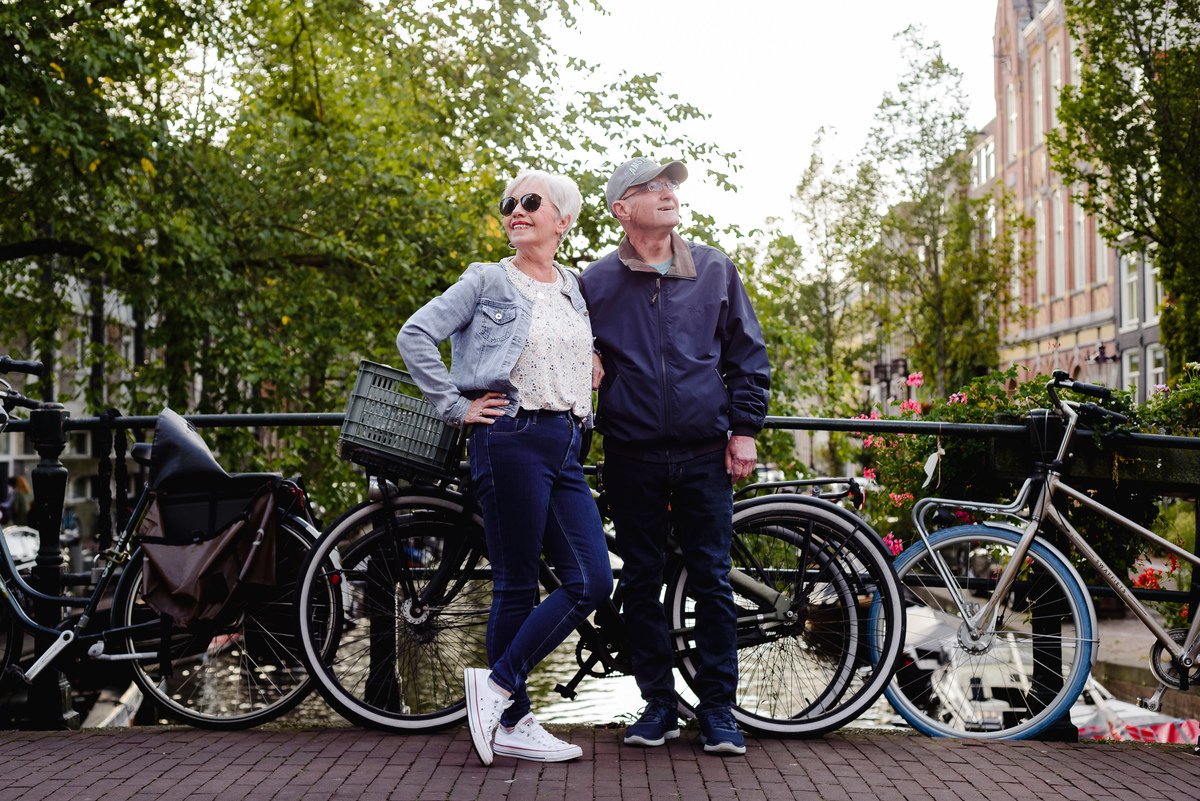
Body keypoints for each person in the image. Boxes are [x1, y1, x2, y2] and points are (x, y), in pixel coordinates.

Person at [397, 169, 611, 766]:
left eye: (531, 202)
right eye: (509, 203)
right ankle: (512, 717)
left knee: (592, 579)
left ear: (562, 220)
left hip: (567, 442)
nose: (516, 210)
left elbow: (565, 344)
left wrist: (590, 356)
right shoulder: (487, 279)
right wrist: (453, 404)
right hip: (510, 436)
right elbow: (415, 335)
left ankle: (494, 689)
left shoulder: (573, 285)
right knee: (516, 581)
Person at [580, 157, 770, 755]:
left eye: (671, 187)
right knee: (639, 581)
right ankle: (658, 705)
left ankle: (718, 711)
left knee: (711, 580)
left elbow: (747, 356)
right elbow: (568, 352)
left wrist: (745, 428)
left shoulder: (714, 269)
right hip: (631, 452)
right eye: (651, 188)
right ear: (622, 209)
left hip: (704, 450)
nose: (667, 195)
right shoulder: (595, 283)